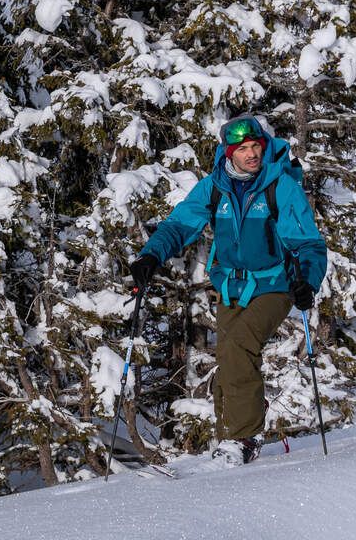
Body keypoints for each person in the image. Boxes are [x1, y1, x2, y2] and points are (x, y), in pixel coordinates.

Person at [129, 113, 327, 464]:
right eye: (243, 148)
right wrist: (150, 256)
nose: (251, 154)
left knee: (237, 345)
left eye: (256, 146)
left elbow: (308, 244)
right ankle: (227, 441)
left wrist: (306, 280)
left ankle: (244, 440)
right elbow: (179, 225)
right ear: (228, 153)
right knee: (229, 358)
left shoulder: (279, 186)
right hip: (232, 285)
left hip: (276, 284)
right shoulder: (215, 187)